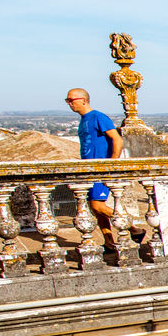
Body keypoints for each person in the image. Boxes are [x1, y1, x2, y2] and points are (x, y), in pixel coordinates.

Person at [66, 88, 126, 247]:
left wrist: (112, 163)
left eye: (72, 100)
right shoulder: (84, 120)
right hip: (90, 170)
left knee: (97, 205)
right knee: (97, 210)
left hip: (101, 169)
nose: (69, 103)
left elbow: (117, 139)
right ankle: (109, 242)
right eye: (67, 100)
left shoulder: (98, 117)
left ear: (84, 100)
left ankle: (132, 227)